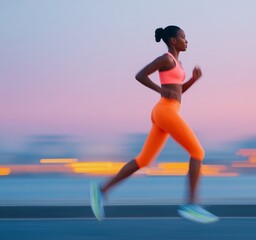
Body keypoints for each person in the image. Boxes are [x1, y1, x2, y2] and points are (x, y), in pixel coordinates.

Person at [90, 25, 218, 224]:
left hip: (166, 111)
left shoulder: (178, 63)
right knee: (197, 152)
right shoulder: (166, 58)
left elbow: (178, 91)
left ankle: (101, 190)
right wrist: (159, 90)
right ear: (173, 41)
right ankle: (191, 205)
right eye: (184, 37)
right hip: (164, 111)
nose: (187, 40)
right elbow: (140, 75)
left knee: (143, 160)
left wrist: (193, 79)